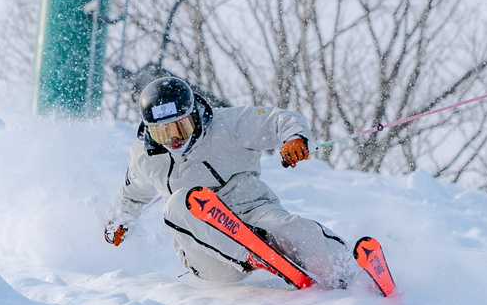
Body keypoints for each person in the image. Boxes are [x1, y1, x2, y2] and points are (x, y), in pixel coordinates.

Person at [104, 75, 369, 289]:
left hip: (255, 213)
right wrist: (118, 224)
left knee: (294, 229)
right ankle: (251, 253)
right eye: (162, 132)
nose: (174, 139)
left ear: (194, 115)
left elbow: (278, 119)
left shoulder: (227, 124)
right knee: (180, 203)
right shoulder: (145, 157)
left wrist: (294, 138)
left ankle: (349, 272)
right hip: (210, 255)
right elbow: (130, 197)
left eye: (180, 128)